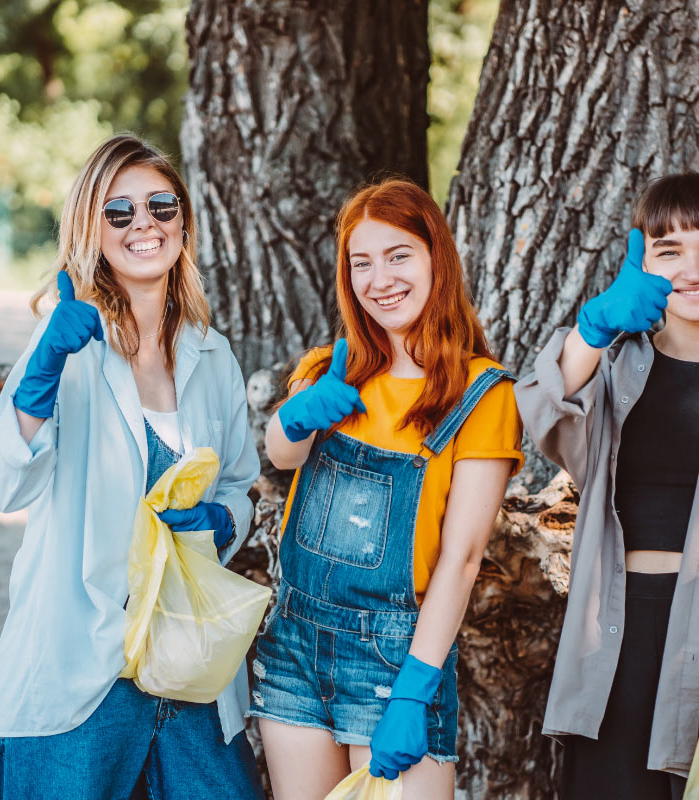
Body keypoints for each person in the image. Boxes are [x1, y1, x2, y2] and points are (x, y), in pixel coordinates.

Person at [0, 134, 265, 799]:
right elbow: (7, 482)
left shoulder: (214, 355)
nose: (143, 223)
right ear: (93, 228)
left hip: (184, 667)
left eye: (160, 205)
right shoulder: (67, 340)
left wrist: (221, 519)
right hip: (80, 667)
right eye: (118, 211)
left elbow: (240, 485)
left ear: (182, 222)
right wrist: (40, 380)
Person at [515, 172, 699, 799]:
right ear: (642, 261)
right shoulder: (613, 368)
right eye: (669, 250)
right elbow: (541, 418)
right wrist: (592, 328)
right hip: (615, 645)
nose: (694, 268)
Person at [249, 177, 524, 799]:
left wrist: (415, 689)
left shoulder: (481, 393)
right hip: (292, 642)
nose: (381, 280)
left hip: (396, 658)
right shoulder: (330, 368)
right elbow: (280, 455)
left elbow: (463, 558)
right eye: (361, 263)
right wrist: (296, 416)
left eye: (399, 255)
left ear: (437, 260)